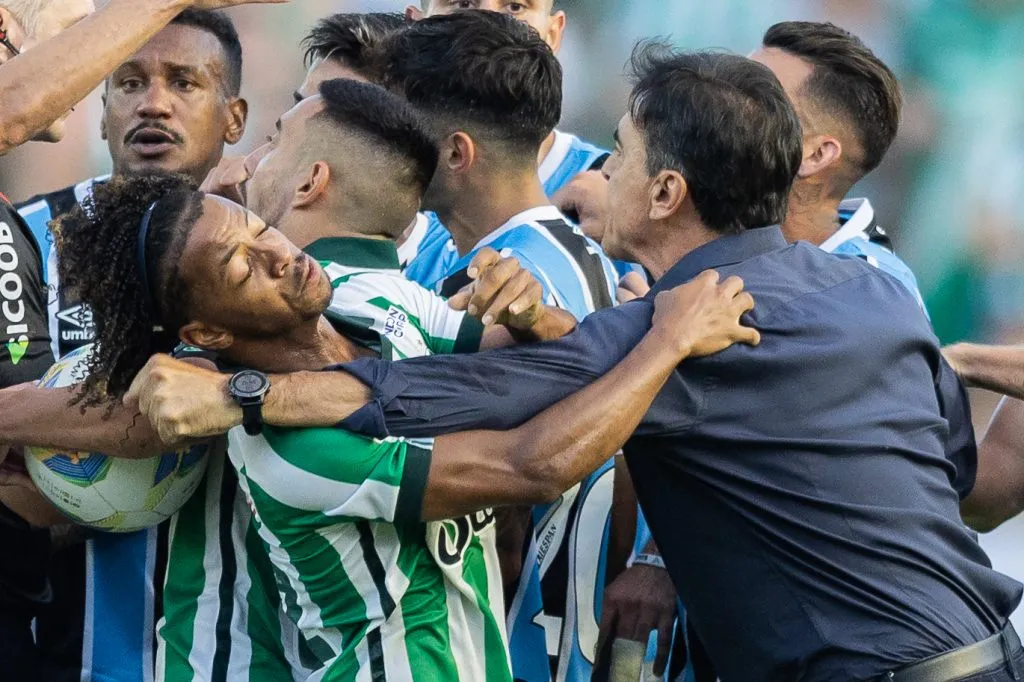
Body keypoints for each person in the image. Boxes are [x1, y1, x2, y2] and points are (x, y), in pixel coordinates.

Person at [131, 46, 1024, 681]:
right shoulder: (875, 294)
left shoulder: (672, 328)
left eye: (621, 157)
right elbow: (964, 486)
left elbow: (443, 398)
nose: (596, 175)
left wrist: (245, 394)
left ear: (667, 193)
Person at [53, 163, 755, 681]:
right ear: (205, 332)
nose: (281, 256)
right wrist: (670, 341)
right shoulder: (296, 451)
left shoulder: (374, 300)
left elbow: (552, 363)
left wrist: (529, 311)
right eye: (243, 269)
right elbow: (531, 467)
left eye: (261, 230)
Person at [0, 1, 281, 680]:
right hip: (59, 651)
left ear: (234, 117)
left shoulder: (280, 259)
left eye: (184, 83)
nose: (153, 105)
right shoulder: (28, 236)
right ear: (100, 107)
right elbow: (22, 474)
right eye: (128, 82)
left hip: (237, 651)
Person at [383, 13, 630, 682]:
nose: (387, 145)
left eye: (403, 127)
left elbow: (506, 505)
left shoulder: (520, 282)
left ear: (456, 153)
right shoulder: (510, 252)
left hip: (513, 654)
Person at [401, 0, 613, 283]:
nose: (488, 20)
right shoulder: (388, 197)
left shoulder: (615, 207)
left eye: (515, 7)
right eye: (463, 3)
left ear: (552, 34)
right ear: (415, 26)